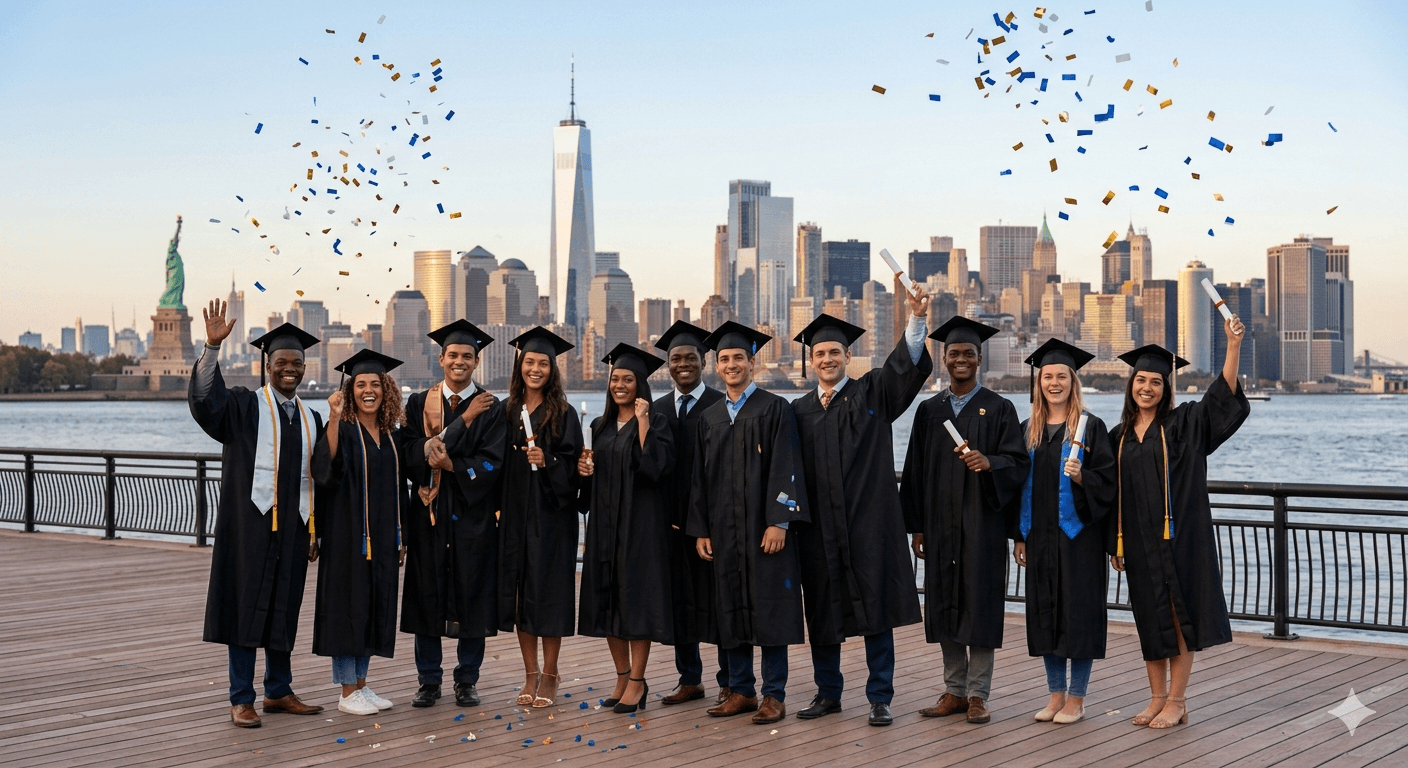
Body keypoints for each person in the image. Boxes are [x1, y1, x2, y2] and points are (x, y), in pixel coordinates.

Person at [789, 284, 933, 728]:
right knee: (822, 610)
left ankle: (879, 696)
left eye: (835, 351)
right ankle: (828, 692)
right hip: (818, 528)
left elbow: (901, 369)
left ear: (847, 356)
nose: (828, 359)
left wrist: (915, 321)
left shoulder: (872, 393)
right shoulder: (797, 411)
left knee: (875, 611)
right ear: (810, 361)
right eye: (820, 353)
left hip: (868, 524)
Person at [1109, 314, 1250, 729]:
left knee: (1177, 616)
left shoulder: (1186, 423)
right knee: (1148, 619)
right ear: (1130, 386)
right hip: (1136, 541)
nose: (1147, 387)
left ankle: (1177, 699)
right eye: (1140, 381)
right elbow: (1108, 493)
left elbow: (1221, 397)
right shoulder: (1118, 436)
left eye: (1155, 382)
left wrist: (1233, 345)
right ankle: (1155, 697)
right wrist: (1113, 544)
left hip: (1181, 538)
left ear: (1166, 387)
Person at [189, 302, 325, 727]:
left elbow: (321, 476)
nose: (290, 369)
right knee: (245, 607)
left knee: (284, 607)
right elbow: (205, 403)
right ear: (267, 365)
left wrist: (315, 529)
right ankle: (241, 697)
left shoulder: (313, 418)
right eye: (281, 362)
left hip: (293, 529)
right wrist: (212, 347)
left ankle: (279, 691)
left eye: (296, 363)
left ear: (304, 367)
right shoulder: (244, 408)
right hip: (248, 528)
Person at [901, 315, 1029, 724]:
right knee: (945, 605)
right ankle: (953, 690)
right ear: (944, 357)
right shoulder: (929, 411)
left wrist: (988, 461)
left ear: (979, 359)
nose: (961, 359)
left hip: (982, 527)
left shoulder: (1000, 408)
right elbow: (916, 470)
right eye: (954, 353)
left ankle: (978, 694)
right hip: (939, 527)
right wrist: (917, 525)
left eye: (968, 354)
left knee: (980, 605)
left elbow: (1018, 464)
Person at [687, 322, 808, 726]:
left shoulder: (775, 408)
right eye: (724, 359)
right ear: (716, 367)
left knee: (770, 609)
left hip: (763, 530)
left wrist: (779, 521)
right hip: (723, 530)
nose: (732, 364)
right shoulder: (710, 417)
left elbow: (787, 467)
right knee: (730, 607)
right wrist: (701, 527)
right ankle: (739, 689)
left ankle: (774, 695)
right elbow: (699, 479)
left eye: (739, 357)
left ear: (752, 364)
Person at [398, 320, 506, 709]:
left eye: (467, 357)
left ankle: (467, 680)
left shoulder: (492, 408)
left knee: (472, 595)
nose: (459, 362)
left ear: (476, 362)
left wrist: (452, 468)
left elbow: (494, 463)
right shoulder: (417, 404)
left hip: (472, 516)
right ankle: (428, 681)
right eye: (453, 355)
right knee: (427, 596)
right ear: (440, 358)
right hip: (429, 513)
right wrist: (435, 452)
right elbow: (409, 455)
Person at [1010, 339, 1116, 724]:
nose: (1054, 383)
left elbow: (1110, 483)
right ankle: (1055, 695)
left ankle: (1077, 698)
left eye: (1061, 377)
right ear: (1039, 383)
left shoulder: (1091, 427)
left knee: (1079, 616)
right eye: (1047, 377)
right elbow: (1017, 486)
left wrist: (1083, 476)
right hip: (1039, 537)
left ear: (1073, 382)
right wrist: (1019, 535)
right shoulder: (1028, 430)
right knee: (1046, 615)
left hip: (1079, 538)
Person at [577, 344, 676, 713]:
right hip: (604, 527)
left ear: (640, 385)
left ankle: (638, 679)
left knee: (637, 603)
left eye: (628, 379)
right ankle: (621, 675)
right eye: (615, 379)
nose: (620, 385)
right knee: (607, 601)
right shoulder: (599, 426)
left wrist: (644, 421)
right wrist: (584, 473)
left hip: (640, 529)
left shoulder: (659, 423)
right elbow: (588, 488)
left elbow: (655, 469)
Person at [312, 350, 406, 715]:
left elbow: (402, 489)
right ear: (350, 392)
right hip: (347, 537)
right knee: (347, 608)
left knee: (372, 607)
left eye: (376, 384)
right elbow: (325, 468)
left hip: (383, 537)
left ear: (387, 390)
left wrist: (402, 536)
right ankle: (347, 690)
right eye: (361, 385)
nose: (369, 390)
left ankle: (363, 686)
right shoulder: (344, 429)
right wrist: (334, 418)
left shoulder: (391, 435)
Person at [498, 327, 584, 709]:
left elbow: (575, 470)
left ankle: (550, 673)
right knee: (520, 595)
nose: (536, 369)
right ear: (520, 365)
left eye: (543, 364)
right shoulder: (506, 411)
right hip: (515, 516)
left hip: (551, 517)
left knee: (548, 593)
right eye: (529, 362)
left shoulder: (563, 413)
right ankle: (529, 673)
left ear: (552, 369)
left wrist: (547, 460)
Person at [652, 321, 729, 707]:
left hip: (714, 525)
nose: (683, 364)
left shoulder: (721, 403)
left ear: (704, 361)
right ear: (667, 365)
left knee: (719, 602)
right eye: (675, 359)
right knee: (680, 601)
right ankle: (690, 678)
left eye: (690, 357)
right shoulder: (656, 409)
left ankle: (729, 679)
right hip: (669, 524)